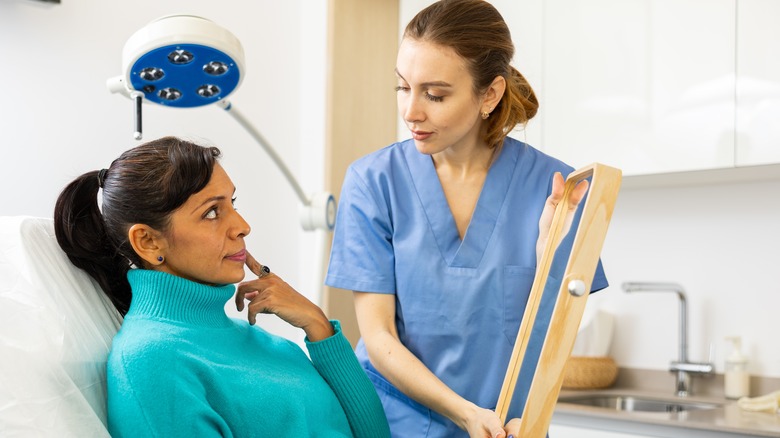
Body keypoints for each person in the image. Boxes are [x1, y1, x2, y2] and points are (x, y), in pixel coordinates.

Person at [325, 1, 608, 437]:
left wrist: (547, 258)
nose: (411, 112)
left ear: (489, 95)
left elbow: (553, 333)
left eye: (435, 95)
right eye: (403, 87)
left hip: (508, 428)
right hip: (394, 422)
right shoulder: (373, 182)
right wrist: (465, 413)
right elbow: (378, 338)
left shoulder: (555, 189)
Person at [53, 136, 391, 437]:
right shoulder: (152, 362)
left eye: (233, 204)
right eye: (212, 212)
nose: (243, 226)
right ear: (148, 241)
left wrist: (318, 327)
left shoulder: (253, 340)